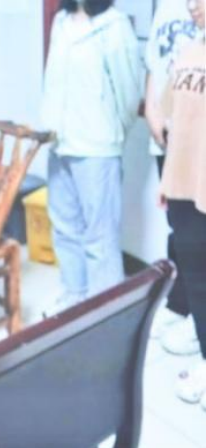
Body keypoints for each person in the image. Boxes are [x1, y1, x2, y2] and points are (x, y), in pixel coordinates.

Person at [41, 0, 142, 315]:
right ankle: (75, 296)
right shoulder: (61, 21)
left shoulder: (115, 25)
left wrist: (112, 131)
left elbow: (129, 93)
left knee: (100, 235)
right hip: (59, 142)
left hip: (97, 146)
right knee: (64, 226)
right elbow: (53, 81)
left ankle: (104, 310)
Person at [144, 0, 201, 353]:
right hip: (173, 148)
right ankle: (183, 309)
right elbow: (155, 68)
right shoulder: (167, 12)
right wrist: (154, 116)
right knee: (183, 236)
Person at [159, 0, 205, 403]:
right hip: (184, 189)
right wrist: (168, 178)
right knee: (198, 282)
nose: (193, 6)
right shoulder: (189, 51)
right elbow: (173, 123)